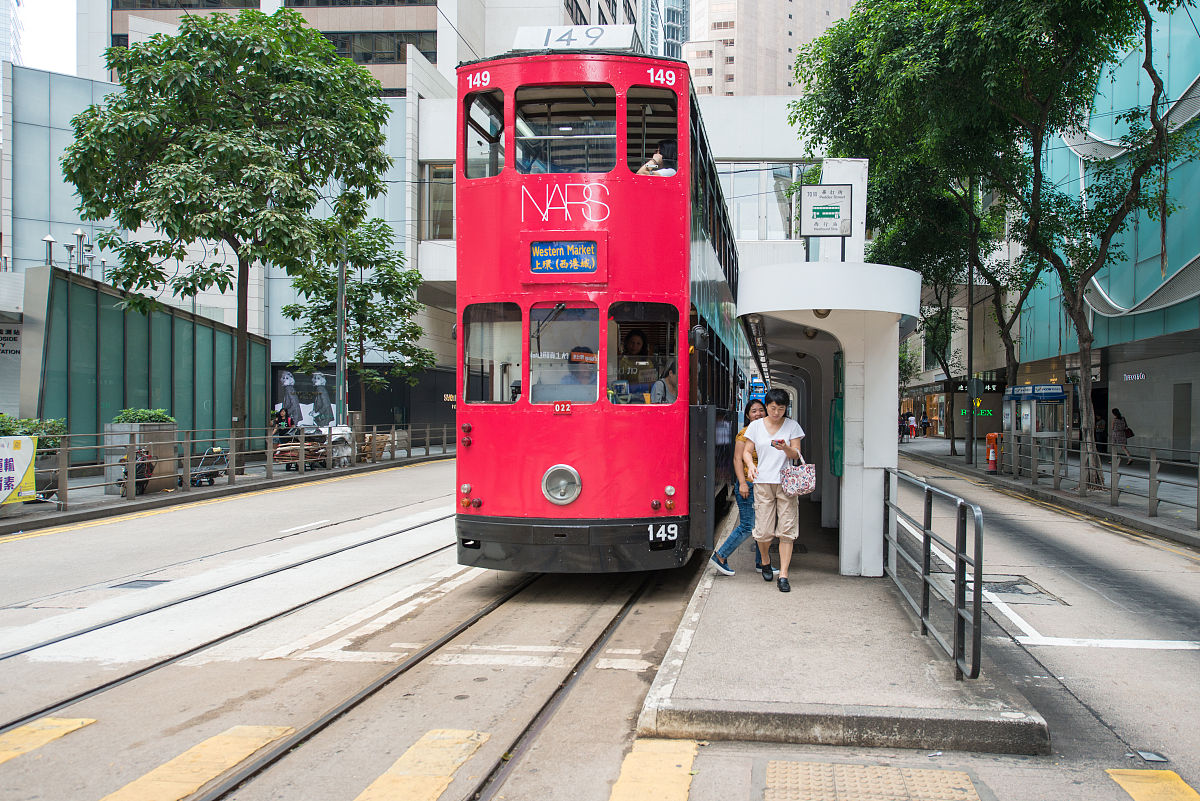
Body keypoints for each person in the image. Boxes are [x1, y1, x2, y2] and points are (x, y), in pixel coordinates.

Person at [742, 388, 805, 593]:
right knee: (763, 531)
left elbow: (796, 454)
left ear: (786, 408)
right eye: (772, 407)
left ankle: (784, 575)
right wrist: (750, 466)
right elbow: (746, 451)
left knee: (786, 530)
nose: (776, 412)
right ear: (767, 406)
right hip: (762, 482)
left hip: (787, 482)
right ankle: (766, 561)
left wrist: (785, 448)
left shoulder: (792, 426)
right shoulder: (756, 426)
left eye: (781, 408)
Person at [710, 399, 768, 576]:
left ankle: (761, 563)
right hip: (748, 485)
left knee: (761, 525)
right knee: (748, 525)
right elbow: (737, 460)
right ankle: (720, 556)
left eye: (761, 410)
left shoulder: (766, 433)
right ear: (748, 416)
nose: (758, 414)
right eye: (754, 411)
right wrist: (742, 483)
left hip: (762, 485)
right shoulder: (745, 434)